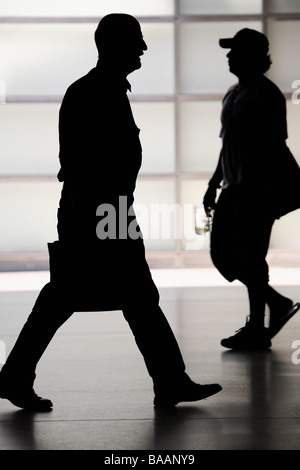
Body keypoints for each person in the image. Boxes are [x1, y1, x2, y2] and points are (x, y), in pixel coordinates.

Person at [0, 13, 221, 410]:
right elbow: (90, 162)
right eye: (136, 40)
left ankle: (16, 376)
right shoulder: (98, 92)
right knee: (103, 296)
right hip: (103, 213)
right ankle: (169, 380)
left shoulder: (96, 89)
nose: (144, 47)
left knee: (102, 297)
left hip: (102, 211)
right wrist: (113, 213)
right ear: (115, 45)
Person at [203, 28, 300, 350]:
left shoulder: (267, 94)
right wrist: (214, 183)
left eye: (235, 51)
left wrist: (265, 192)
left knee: (251, 257)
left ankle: (258, 327)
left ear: (251, 57)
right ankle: (277, 303)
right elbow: (226, 144)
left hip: (257, 189)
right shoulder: (233, 93)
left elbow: (275, 146)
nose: (229, 57)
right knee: (224, 255)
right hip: (234, 187)